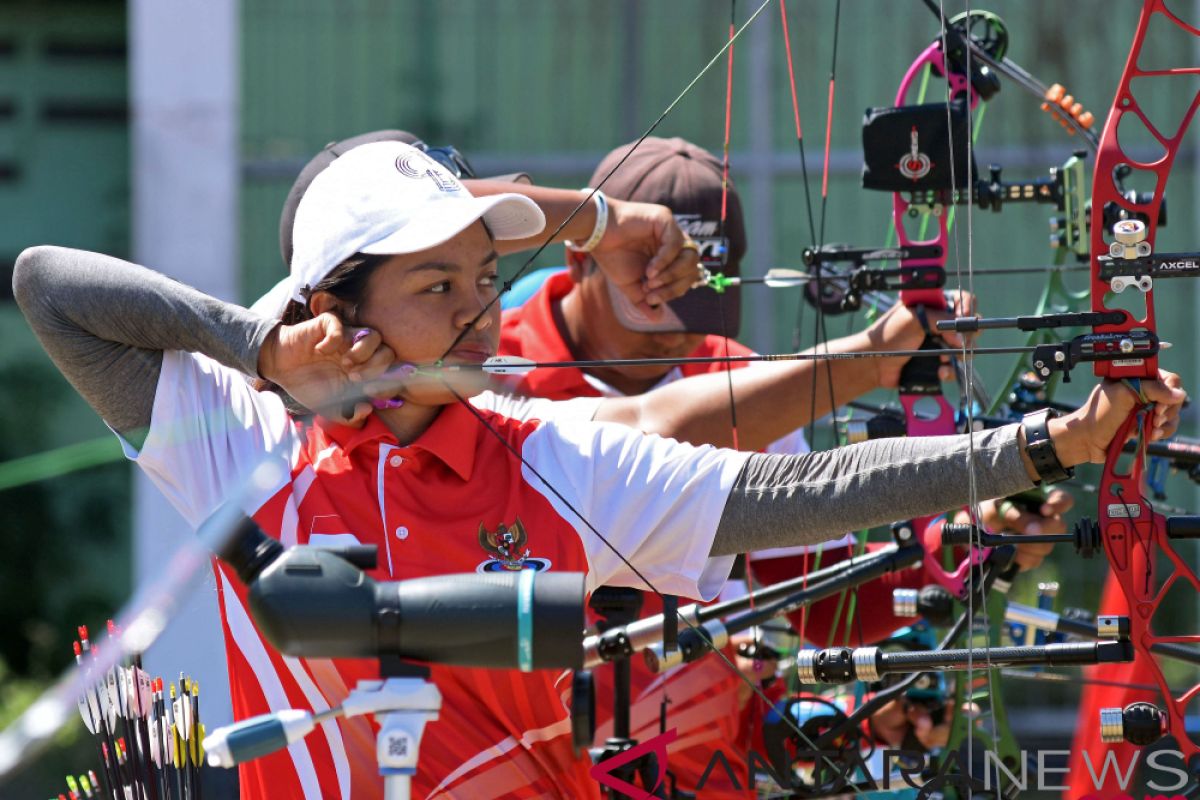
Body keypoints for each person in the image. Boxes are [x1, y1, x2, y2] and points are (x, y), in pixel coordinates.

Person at [16, 141, 1183, 800]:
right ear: (339, 312)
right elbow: (49, 288)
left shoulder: (553, 453)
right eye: (438, 287)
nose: (479, 309)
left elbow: (795, 491)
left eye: (483, 279)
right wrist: (255, 345)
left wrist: (1041, 445)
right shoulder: (240, 435)